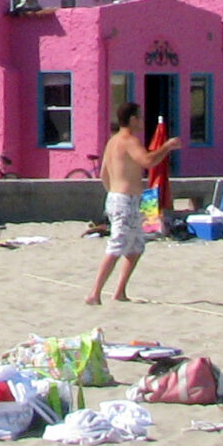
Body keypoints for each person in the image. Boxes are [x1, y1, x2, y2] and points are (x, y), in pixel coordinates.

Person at [88, 103, 181, 305]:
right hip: (124, 200)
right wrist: (167, 146)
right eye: (139, 117)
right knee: (117, 245)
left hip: (122, 198)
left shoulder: (112, 142)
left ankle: (120, 291)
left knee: (137, 246)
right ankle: (94, 294)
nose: (141, 120)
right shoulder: (129, 140)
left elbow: (104, 173)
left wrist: (112, 192)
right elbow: (147, 161)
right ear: (132, 120)